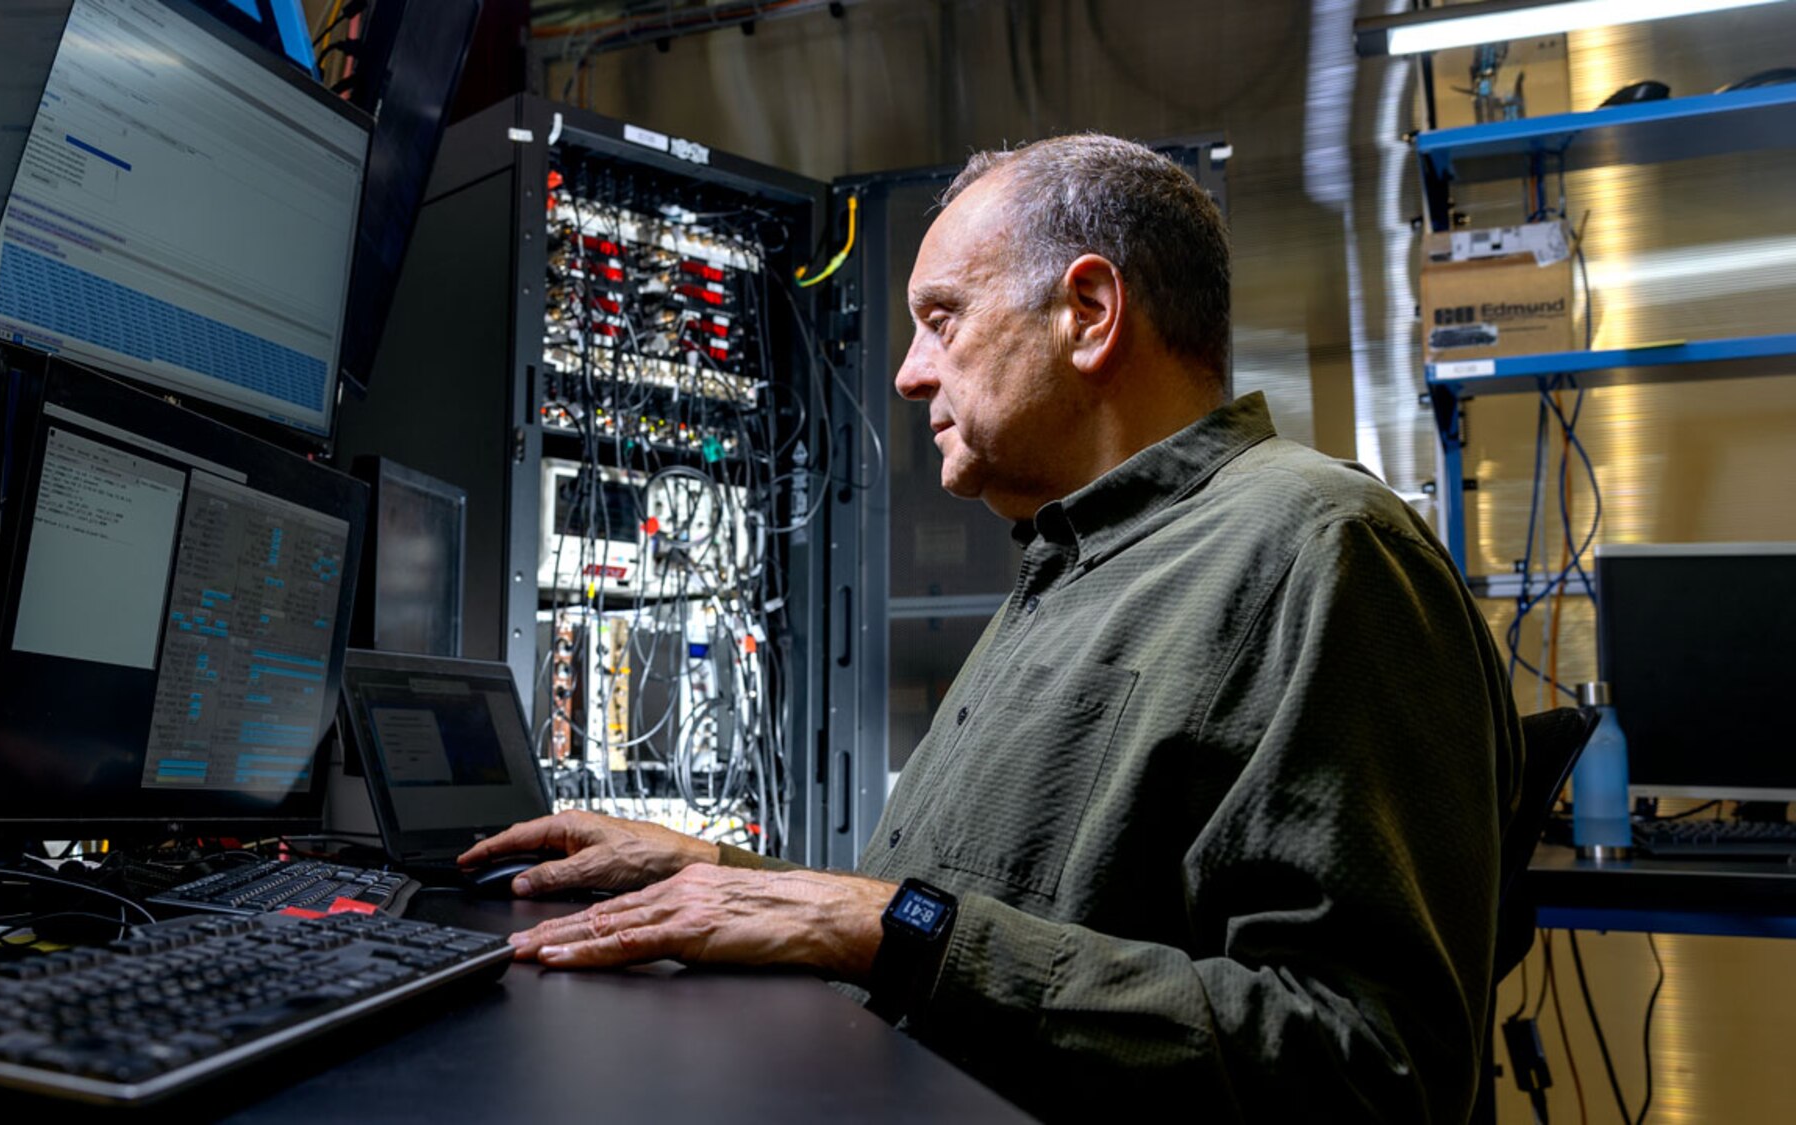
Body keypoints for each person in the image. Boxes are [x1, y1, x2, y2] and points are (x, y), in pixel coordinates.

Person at [460, 134, 1523, 1123]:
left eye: (942, 318)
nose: (908, 373)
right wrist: (711, 875)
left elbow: (1371, 1065)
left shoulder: (1313, 547)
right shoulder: (1077, 559)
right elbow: (970, 911)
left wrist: (893, 934)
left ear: (1089, 311)